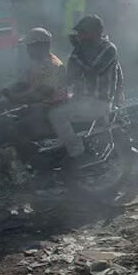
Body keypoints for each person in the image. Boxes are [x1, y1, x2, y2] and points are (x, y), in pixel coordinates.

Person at [50, 15, 124, 165]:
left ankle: (78, 153)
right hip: (81, 100)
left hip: (98, 102)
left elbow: (92, 70)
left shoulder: (108, 49)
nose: (80, 36)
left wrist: (79, 49)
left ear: (96, 32)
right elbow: (71, 75)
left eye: (83, 32)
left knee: (56, 116)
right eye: (79, 33)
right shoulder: (83, 49)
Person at [2, 27, 68, 142]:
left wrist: (15, 98)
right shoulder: (38, 62)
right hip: (39, 106)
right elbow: (27, 84)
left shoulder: (52, 66)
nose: (27, 50)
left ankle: (27, 158)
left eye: (29, 47)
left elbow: (43, 93)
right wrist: (6, 90)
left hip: (50, 109)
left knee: (14, 127)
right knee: (5, 116)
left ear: (40, 46)